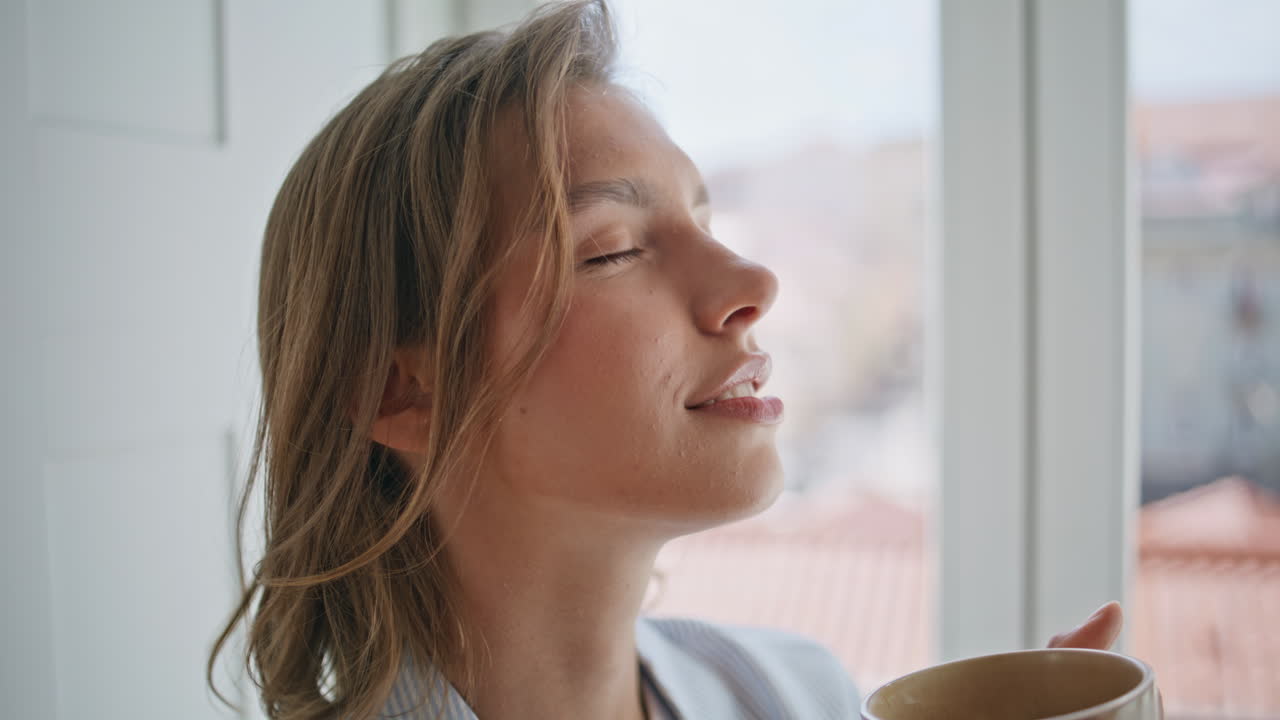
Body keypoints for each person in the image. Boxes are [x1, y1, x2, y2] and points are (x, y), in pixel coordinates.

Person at [207, 1, 1132, 718]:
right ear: (403, 386)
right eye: (612, 249)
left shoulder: (801, 695)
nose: (752, 281)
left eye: (704, 219)